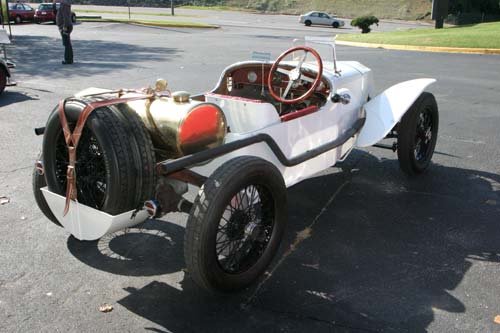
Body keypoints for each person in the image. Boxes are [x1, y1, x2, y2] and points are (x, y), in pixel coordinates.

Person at [55, 0, 73, 65]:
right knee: (68, 44)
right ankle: (70, 59)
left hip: (65, 26)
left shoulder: (64, 5)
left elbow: (65, 17)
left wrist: (64, 27)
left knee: (66, 44)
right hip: (66, 26)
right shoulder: (64, 4)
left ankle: (68, 60)